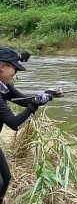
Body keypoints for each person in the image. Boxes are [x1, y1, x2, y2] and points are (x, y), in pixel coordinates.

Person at [0, 46, 54, 204]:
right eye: (14, 68)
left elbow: (23, 100)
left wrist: (47, 95)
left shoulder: (3, 86)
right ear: (2, 66)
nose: (15, 73)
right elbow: (14, 124)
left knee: (6, 177)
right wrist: (34, 105)